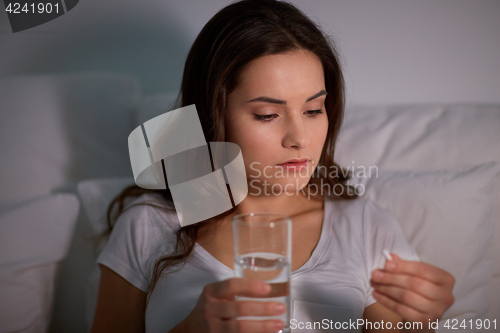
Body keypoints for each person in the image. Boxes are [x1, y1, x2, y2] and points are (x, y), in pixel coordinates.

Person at [91, 0, 455, 332]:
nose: (299, 137)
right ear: (214, 116)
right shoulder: (148, 224)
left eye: (314, 110)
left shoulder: (366, 228)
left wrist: (420, 323)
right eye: (267, 115)